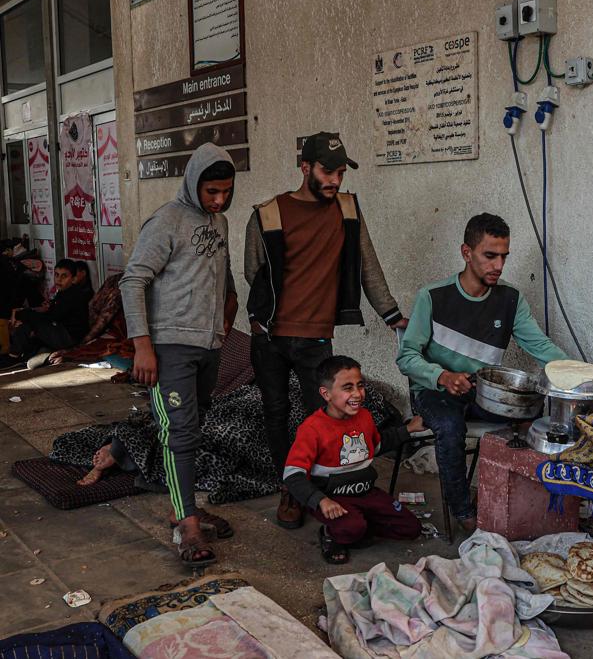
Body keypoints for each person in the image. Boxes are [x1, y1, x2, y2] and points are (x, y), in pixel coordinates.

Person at [244, 131, 406, 530]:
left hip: (316, 337)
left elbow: (368, 264)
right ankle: (291, 490)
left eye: (340, 172)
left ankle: (326, 489)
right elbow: (253, 270)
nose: (335, 180)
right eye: (327, 171)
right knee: (276, 413)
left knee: (321, 417)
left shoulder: (348, 210)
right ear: (305, 168)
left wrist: (391, 314)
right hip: (269, 335)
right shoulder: (269, 214)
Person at [397, 213, 568, 530]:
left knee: (532, 415)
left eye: (504, 256)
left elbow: (541, 347)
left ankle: (523, 501)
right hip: (434, 390)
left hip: (483, 389)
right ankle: (463, 512)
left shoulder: (510, 300)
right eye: (490, 255)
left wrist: (579, 375)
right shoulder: (432, 297)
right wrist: (443, 377)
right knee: (449, 427)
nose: (499, 266)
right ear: (466, 253)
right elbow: (406, 357)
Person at [119, 143, 239, 566]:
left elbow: (222, 279)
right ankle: (185, 526)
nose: (219, 200)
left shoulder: (220, 222)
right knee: (180, 433)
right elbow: (132, 282)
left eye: (225, 191)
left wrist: (227, 316)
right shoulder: (167, 220)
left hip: (207, 347)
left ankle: (181, 503)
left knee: (192, 426)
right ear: (193, 183)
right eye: (211, 192)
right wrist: (143, 346)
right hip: (168, 348)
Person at [283, 355, 424, 563]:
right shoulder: (312, 428)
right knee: (352, 529)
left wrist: (409, 429)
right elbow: (292, 475)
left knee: (411, 529)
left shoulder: (365, 416)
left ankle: (358, 525)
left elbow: (375, 446)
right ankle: (331, 534)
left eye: (360, 385)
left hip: (366, 492)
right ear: (326, 394)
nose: (358, 394)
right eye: (348, 388)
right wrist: (320, 500)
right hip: (333, 498)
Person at [0, 259, 90, 369]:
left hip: (69, 338)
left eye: (64, 276)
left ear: (73, 279)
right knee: (26, 324)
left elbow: (52, 317)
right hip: (60, 331)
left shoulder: (74, 295)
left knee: (29, 318)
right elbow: (52, 313)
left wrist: (24, 314)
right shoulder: (63, 292)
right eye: (56, 275)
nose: (59, 279)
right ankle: (15, 355)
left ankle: (14, 357)